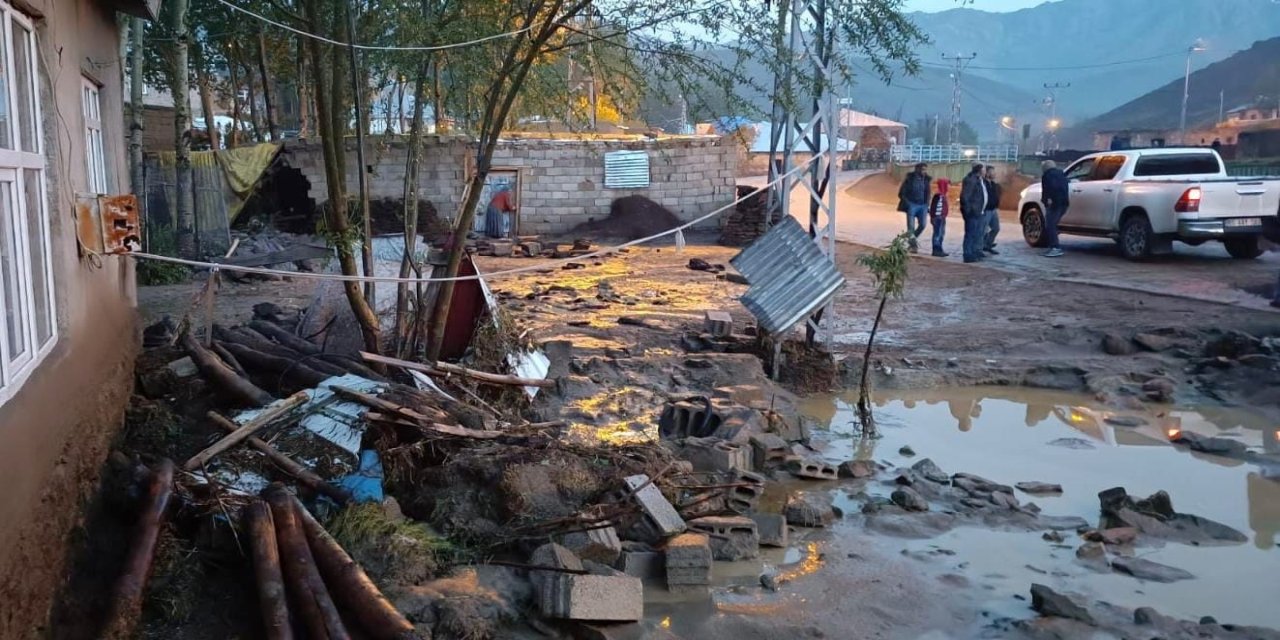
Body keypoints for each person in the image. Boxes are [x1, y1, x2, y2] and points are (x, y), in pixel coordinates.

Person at [897, 163, 931, 253]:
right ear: (917, 169)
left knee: (923, 225)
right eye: (922, 169)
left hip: (923, 205)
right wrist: (908, 203)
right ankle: (913, 246)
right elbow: (901, 193)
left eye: (925, 170)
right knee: (911, 227)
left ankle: (911, 240)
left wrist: (927, 204)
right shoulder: (910, 179)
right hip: (912, 205)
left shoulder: (926, 180)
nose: (924, 171)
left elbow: (928, 193)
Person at [1040, 160, 1069, 258]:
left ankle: (1055, 247)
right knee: (1053, 225)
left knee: (1050, 225)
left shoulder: (1047, 175)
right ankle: (1054, 246)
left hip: (1054, 203)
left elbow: (1049, 188)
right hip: (1064, 203)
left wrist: (1048, 199)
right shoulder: (1061, 174)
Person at [959, 163, 988, 263]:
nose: (985, 171)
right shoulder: (971, 180)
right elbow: (965, 197)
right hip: (973, 212)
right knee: (970, 234)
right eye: (984, 169)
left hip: (980, 211)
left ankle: (973, 252)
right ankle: (967, 254)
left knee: (977, 233)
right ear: (979, 170)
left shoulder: (980, 180)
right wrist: (968, 211)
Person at [982, 165, 1002, 255]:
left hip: (993, 209)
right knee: (983, 230)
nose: (994, 174)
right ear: (987, 173)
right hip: (986, 210)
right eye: (992, 172)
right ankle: (980, 247)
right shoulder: (983, 183)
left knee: (996, 228)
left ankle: (988, 245)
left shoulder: (993, 184)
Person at [928, 178, 950, 257]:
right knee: (937, 234)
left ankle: (939, 248)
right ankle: (936, 249)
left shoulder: (943, 195)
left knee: (941, 234)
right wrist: (933, 217)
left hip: (942, 217)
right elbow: (933, 207)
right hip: (938, 218)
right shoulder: (938, 195)